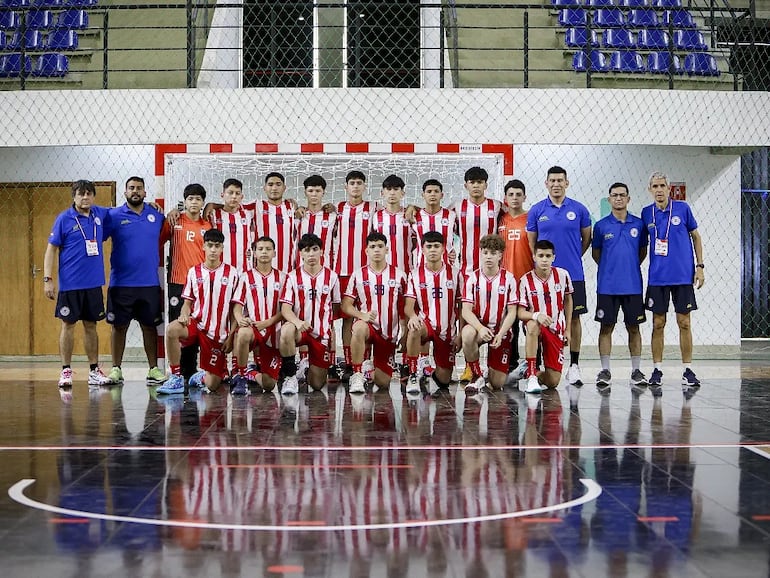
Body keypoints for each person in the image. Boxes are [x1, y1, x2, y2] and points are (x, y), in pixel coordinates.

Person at [43, 179, 113, 388]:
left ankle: (93, 371)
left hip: (93, 284)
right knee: (68, 325)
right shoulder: (64, 219)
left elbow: (123, 210)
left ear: (93, 196)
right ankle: (65, 371)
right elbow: (51, 250)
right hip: (70, 285)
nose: (85, 198)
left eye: (88, 194)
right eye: (81, 194)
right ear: (74, 196)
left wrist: (150, 205)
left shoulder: (99, 214)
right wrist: (48, 279)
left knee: (91, 326)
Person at [526, 166, 591, 387]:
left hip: (573, 273)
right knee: (541, 319)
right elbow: (532, 243)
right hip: (543, 277)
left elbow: (586, 239)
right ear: (546, 183)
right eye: (552, 180)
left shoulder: (580, 210)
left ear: (567, 183)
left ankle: (574, 365)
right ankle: (536, 367)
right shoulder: (536, 210)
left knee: (574, 318)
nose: (556, 184)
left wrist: (570, 258)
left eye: (560, 180)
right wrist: (545, 264)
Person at [641, 171, 705, 388]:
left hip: (682, 276)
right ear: (650, 190)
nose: (659, 190)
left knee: (684, 322)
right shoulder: (645, 213)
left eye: (662, 186)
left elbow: (696, 236)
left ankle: (687, 369)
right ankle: (657, 369)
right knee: (658, 323)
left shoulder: (682, 209)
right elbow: (642, 245)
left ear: (669, 189)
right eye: (655, 186)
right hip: (658, 278)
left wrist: (700, 267)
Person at [159, 228, 240, 394]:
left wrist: (231, 336)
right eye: (210, 245)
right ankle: (176, 378)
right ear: (203, 247)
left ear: (222, 248)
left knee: (212, 385)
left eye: (217, 246)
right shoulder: (193, 272)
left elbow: (234, 310)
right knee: (171, 330)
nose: (213, 250)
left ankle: (201, 376)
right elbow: (187, 303)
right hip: (196, 324)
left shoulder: (232, 273)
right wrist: (183, 314)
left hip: (217, 334)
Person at [105, 176, 167, 385]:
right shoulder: (113, 216)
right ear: (125, 192)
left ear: (145, 193)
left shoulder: (156, 215)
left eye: (139, 188)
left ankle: (153, 369)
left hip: (148, 283)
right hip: (121, 284)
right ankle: (116, 369)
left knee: (149, 327)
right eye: (131, 188)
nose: (135, 191)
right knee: (119, 327)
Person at [592, 182, 649, 394]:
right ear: (609, 200)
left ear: (628, 199)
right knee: (606, 327)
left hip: (633, 285)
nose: (618, 198)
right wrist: (611, 269)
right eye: (614, 195)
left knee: (634, 328)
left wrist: (628, 267)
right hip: (607, 286)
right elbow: (597, 254)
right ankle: (605, 371)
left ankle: (636, 371)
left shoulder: (639, 224)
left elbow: (642, 252)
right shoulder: (601, 226)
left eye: (622, 195)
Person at [341, 232, 407, 394]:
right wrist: (361, 315)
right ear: (366, 251)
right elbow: (346, 305)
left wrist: (404, 331)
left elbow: (405, 307)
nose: (376, 250)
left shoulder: (399, 275)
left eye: (380, 246)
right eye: (372, 247)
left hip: (388, 334)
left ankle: (368, 370)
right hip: (367, 327)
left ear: (387, 250)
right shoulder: (358, 275)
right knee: (358, 328)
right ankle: (357, 373)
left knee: (383, 383)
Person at [160, 183, 212, 381]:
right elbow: (158, 241)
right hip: (178, 283)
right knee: (179, 326)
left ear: (202, 203)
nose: (194, 202)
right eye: (190, 199)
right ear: (185, 201)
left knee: (197, 326)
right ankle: (177, 372)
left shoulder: (207, 226)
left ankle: (191, 370)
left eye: (198, 199)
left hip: (201, 286)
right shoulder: (174, 221)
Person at [278, 233, 341, 395]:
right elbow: (285, 308)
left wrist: (330, 331)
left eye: (315, 249)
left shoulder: (332, 277)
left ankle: (305, 370)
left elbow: (335, 308)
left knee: (317, 385)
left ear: (321, 251)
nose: (311, 254)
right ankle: (290, 376)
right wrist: (298, 322)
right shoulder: (292, 277)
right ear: (301, 254)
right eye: (307, 250)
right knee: (286, 330)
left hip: (321, 335)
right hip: (300, 331)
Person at [404, 231, 462, 397]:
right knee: (414, 328)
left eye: (437, 246)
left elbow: (462, 306)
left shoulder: (456, 274)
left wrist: (459, 334)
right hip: (426, 323)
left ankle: (428, 374)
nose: (433, 250)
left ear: (444, 249)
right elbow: (408, 307)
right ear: (422, 249)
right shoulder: (415, 275)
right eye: (428, 246)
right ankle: (413, 374)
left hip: (447, 331)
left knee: (444, 381)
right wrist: (413, 317)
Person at [460, 234, 519, 393]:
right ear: (480, 253)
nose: (488, 257)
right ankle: (476, 375)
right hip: (480, 329)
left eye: (493, 253)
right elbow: (466, 310)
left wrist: (501, 333)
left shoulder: (509, 279)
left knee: (497, 384)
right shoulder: (472, 278)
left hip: (500, 332)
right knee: (467, 334)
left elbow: (512, 312)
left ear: (500, 255)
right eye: (485, 252)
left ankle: (490, 371)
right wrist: (479, 328)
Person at [333, 170, 375, 381]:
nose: (356, 186)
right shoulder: (337, 210)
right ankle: (349, 363)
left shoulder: (373, 208)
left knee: (367, 317)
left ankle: (365, 362)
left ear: (364, 186)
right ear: (346, 186)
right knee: (347, 319)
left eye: (359, 183)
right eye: (352, 183)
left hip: (366, 274)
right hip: (342, 272)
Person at [229, 237, 285, 395]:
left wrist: (267, 323)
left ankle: (251, 373)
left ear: (274, 253)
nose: (264, 252)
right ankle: (240, 376)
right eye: (260, 249)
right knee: (243, 333)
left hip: (274, 332)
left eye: (268, 249)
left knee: (269, 385)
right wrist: (240, 319)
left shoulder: (283, 278)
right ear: (254, 253)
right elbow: (237, 305)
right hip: (253, 328)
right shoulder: (246, 277)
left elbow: (286, 309)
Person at [518, 240, 573, 395]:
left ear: (553, 257)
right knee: (532, 325)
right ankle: (531, 374)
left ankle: (528, 372)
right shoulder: (525, 280)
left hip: (556, 328)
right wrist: (537, 315)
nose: (544, 259)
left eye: (548, 256)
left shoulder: (563, 275)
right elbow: (520, 313)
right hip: (535, 326)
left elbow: (568, 300)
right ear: (534, 257)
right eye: (540, 255)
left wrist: (568, 329)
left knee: (553, 382)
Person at [496, 178, 534, 381]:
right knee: (509, 325)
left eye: (518, 194)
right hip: (505, 282)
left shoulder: (531, 218)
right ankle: (510, 363)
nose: (515, 198)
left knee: (529, 323)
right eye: (511, 194)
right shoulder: (499, 220)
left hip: (526, 280)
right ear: (505, 198)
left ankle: (532, 365)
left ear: (524, 197)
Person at [453, 167, 502, 277]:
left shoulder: (497, 206)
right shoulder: (457, 206)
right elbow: (436, 214)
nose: (476, 185)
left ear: (485, 185)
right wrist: (413, 208)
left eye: (479, 182)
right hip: (465, 271)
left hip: (491, 270)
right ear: (466, 186)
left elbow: (515, 214)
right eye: (472, 182)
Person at [250, 172, 296, 272]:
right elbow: (232, 206)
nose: (274, 188)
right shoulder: (256, 205)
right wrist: (212, 205)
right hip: (261, 266)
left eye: (278, 184)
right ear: (264, 188)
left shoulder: (291, 206)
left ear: (284, 187)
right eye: (270, 185)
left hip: (287, 265)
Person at [209, 178, 254, 272]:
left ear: (242, 196)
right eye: (230, 192)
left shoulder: (249, 213)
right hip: (220, 270)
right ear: (222, 195)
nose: (234, 197)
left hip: (244, 271)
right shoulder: (213, 214)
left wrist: (292, 202)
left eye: (237, 193)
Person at [371, 174, 414, 274]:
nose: (392, 193)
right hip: (382, 272)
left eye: (396, 189)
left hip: (406, 270)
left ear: (403, 193)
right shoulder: (376, 216)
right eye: (389, 189)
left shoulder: (409, 215)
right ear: (382, 193)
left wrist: (413, 207)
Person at [411, 178, 458, 267]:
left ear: (442, 195)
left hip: (447, 269)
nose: (433, 194)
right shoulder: (414, 216)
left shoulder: (451, 215)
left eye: (436, 191)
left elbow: (463, 236)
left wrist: (452, 249)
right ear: (423, 195)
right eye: (429, 191)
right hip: (422, 269)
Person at [296, 174, 336, 266]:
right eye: (310, 191)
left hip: (325, 267)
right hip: (301, 268)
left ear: (323, 192)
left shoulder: (333, 217)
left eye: (318, 191)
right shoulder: (298, 216)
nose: (314, 194)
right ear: (305, 192)